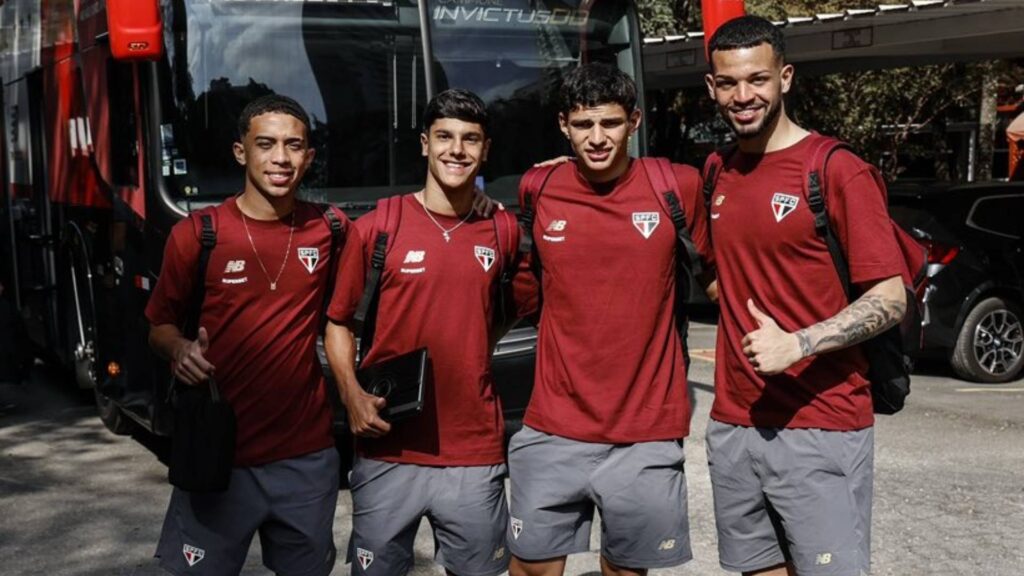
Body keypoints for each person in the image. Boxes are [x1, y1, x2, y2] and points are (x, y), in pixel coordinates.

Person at [700, 15, 907, 576]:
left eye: (758, 80)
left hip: (822, 423)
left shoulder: (836, 170)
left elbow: (891, 297)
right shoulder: (717, 170)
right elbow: (715, 267)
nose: (743, 96)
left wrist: (799, 342)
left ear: (785, 78)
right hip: (735, 423)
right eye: (729, 82)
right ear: (712, 87)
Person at [507, 63, 709, 576]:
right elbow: (519, 284)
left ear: (634, 121)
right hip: (553, 423)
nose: (597, 139)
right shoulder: (539, 186)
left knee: (624, 571)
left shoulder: (676, 186)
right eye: (583, 126)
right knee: (529, 567)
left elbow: (722, 274)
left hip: (645, 430)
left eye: (611, 124)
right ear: (563, 126)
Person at [146, 94, 347, 576]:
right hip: (217, 457)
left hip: (306, 456)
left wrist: (482, 200)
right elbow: (158, 326)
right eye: (266, 144)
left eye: (294, 146)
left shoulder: (332, 229)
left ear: (309, 157)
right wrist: (179, 350)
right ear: (242, 153)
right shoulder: (200, 233)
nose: (281, 158)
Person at [324, 88, 517, 576]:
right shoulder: (378, 227)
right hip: (389, 446)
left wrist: (478, 347)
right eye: (445, 137)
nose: (457, 150)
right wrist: (350, 395)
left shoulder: (503, 231)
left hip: (473, 450)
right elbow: (338, 322)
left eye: (470, 139)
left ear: (486, 149)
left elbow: (515, 305)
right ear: (424, 144)